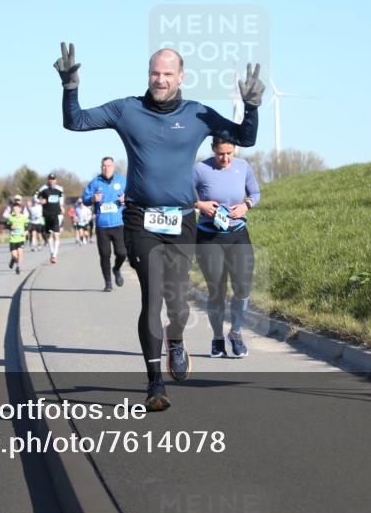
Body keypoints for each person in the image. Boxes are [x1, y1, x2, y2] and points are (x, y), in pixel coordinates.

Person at [59, 42, 262, 411]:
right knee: (152, 295)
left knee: (178, 304)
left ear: (181, 77)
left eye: (168, 74)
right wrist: (70, 87)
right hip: (141, 218)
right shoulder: (127, 109)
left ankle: (177, 340)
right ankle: (154, 384)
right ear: (148, 75)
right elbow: (76, 121)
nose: (161, 79)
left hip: (182, 219)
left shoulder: (198, 113)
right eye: (155, 73)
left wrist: (251, 108)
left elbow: (244, 138)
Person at [193, 137, 260, 359]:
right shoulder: (200, 169)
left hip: (237, 235)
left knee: (242, 288)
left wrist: (246, 206)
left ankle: (236, 333)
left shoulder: (243, 167)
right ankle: (217, 338)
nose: (225, 158)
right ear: (213, 150)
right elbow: (181, 194)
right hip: (209, 237)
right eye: (221, 153)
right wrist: (199, 204)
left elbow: (255, 194)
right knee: (216, 291)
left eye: (230, 153)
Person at [82, 156, 128, 292]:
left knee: (122, 253)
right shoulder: (95, 182)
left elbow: (133, 195)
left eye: (108, 166)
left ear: (113, 167)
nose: (106, 168)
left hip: (118, 223)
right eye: (104, 166)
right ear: (101, 167)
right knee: (105, 254)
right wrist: (92, 198)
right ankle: (108, 283)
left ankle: (117, 268)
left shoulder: (122, 181)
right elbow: (84, 199)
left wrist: (126, 199)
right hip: (102, 226)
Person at [36, 173, 65, 264]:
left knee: (56, 235)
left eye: (53, 179)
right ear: (48, 180)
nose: (51, 180)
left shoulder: (59, 189)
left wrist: (62, 206)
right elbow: (35, 197)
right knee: (49, 236)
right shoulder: (43, 188)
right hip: (46, 214)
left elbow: (62, 198)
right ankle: (52, 252)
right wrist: (40, 201)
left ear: (56, 180)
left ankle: (54, 255)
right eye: (50, 179)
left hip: (56, 214)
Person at [6, 200, 29, 274]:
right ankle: (13, 260)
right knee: (14, 255)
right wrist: (10, 226)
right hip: (13, 239)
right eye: (14, 209)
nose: (15, 210)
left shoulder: (23, 217)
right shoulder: (10, 217)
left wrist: (26, 231)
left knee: (20, 253)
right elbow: (6, 225)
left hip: (21, 238)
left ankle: (18, 267)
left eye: (17, 209)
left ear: (20, 209)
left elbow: (28, 225)